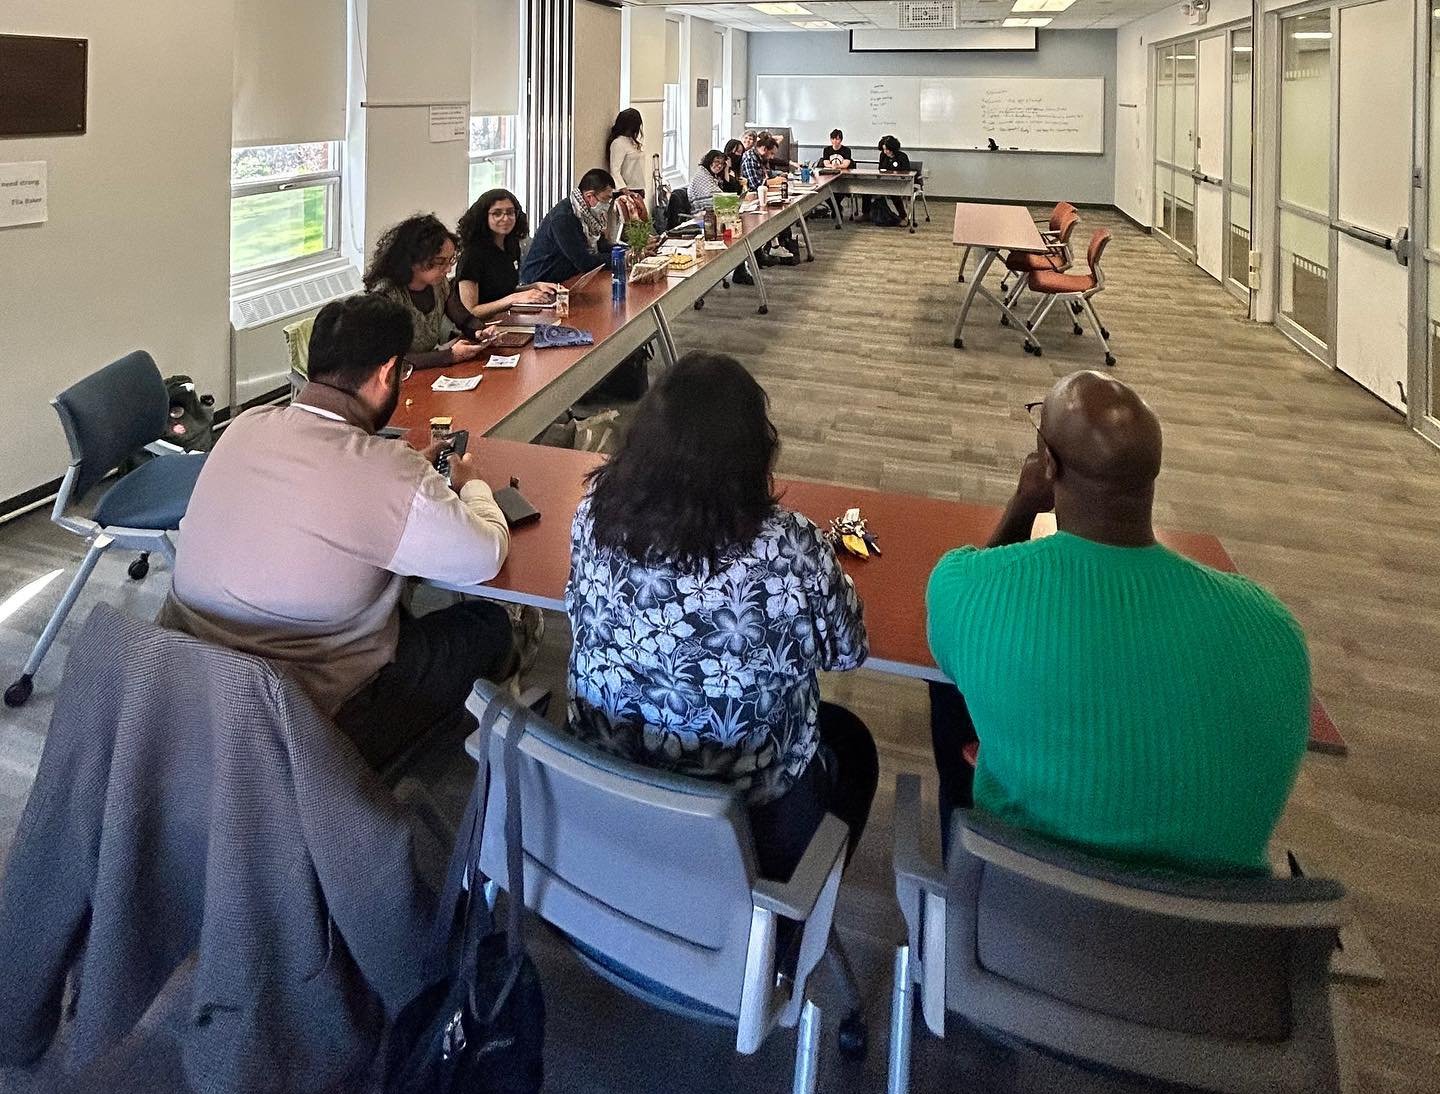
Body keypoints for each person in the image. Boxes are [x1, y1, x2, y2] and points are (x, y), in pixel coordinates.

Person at [925, 371, 1310, 876]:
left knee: (948, 687)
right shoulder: (1274, 631)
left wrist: (1022, 504)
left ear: (1048, 464)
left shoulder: (974, 590)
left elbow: (961, 607)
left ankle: (960, 859)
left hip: (1017, 927)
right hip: (1215, 945)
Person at [157, 294, 516, 770]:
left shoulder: (245, 427)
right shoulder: (386, 470)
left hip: (184, 685)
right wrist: (472, 486)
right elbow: (485, 554)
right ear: (388, 372)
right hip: (303, 723)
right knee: (488, 628)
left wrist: (408, 479)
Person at [564, 351, 878, 880]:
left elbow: (577, 608)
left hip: (604, 793)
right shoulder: (789, 546)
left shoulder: (594, 510)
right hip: (741, 822)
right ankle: (788, 926)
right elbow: (847, 651)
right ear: (755, 452)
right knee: (853, 745)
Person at [363, 214, 495, 368]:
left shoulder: (438, 284)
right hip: (399, 378)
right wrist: (449, 355)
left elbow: (462, 317)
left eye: (450, 260)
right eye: (440, 262)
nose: (448, 269)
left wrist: (480, 332)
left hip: (427, 369)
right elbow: (391, 359)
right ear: (413, 259)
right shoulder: (385, 295)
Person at [455, 188, 561, 321]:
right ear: (483, 217)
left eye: (510, 212)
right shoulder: (472, 255)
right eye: (497, 213)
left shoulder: (511, 245)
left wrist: (534, 287)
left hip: (505, 319)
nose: (505, 218)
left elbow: (503, 291)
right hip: (478, 330)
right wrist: (513, 298)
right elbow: (471, 311)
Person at [518, 167, 618, 285]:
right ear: (589, 196)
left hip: (567, 278)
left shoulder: (589, 214)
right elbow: (584, 262)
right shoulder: (563, 217)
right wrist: (619, 258)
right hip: (542, 282)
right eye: (605, 199)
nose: (607, 205)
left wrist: (624, 251)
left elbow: (600, 245)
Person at [740, 132, 799, 265]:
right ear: (764, 149)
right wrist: (774, 181)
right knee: (774, 214)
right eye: (771, 153)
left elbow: (767, 174)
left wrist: (780, 175)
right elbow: (755, 183)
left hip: (763, 195)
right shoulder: (750, 158)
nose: (772, 157)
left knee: (783, 209)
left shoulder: (761, 157)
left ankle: (781, 242)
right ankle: (773, 246)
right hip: (752, 199)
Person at [863, 134, 912, 225]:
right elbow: (880, 170)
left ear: (893, 148)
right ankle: (866, 214)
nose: (885, 151)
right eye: (884, 149)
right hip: (885, 181)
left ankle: (903, 216)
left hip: (900, 183)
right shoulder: (883, 155)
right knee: (867, 189)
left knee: (894, 194)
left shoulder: (902, 156)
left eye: (887, 149)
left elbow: (907, 172)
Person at [607, 108, 648, 196]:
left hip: (637, 189)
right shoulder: (618, 143)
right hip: (626, 191)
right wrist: (624, 190)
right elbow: (615, 170)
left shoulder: (632, 141)